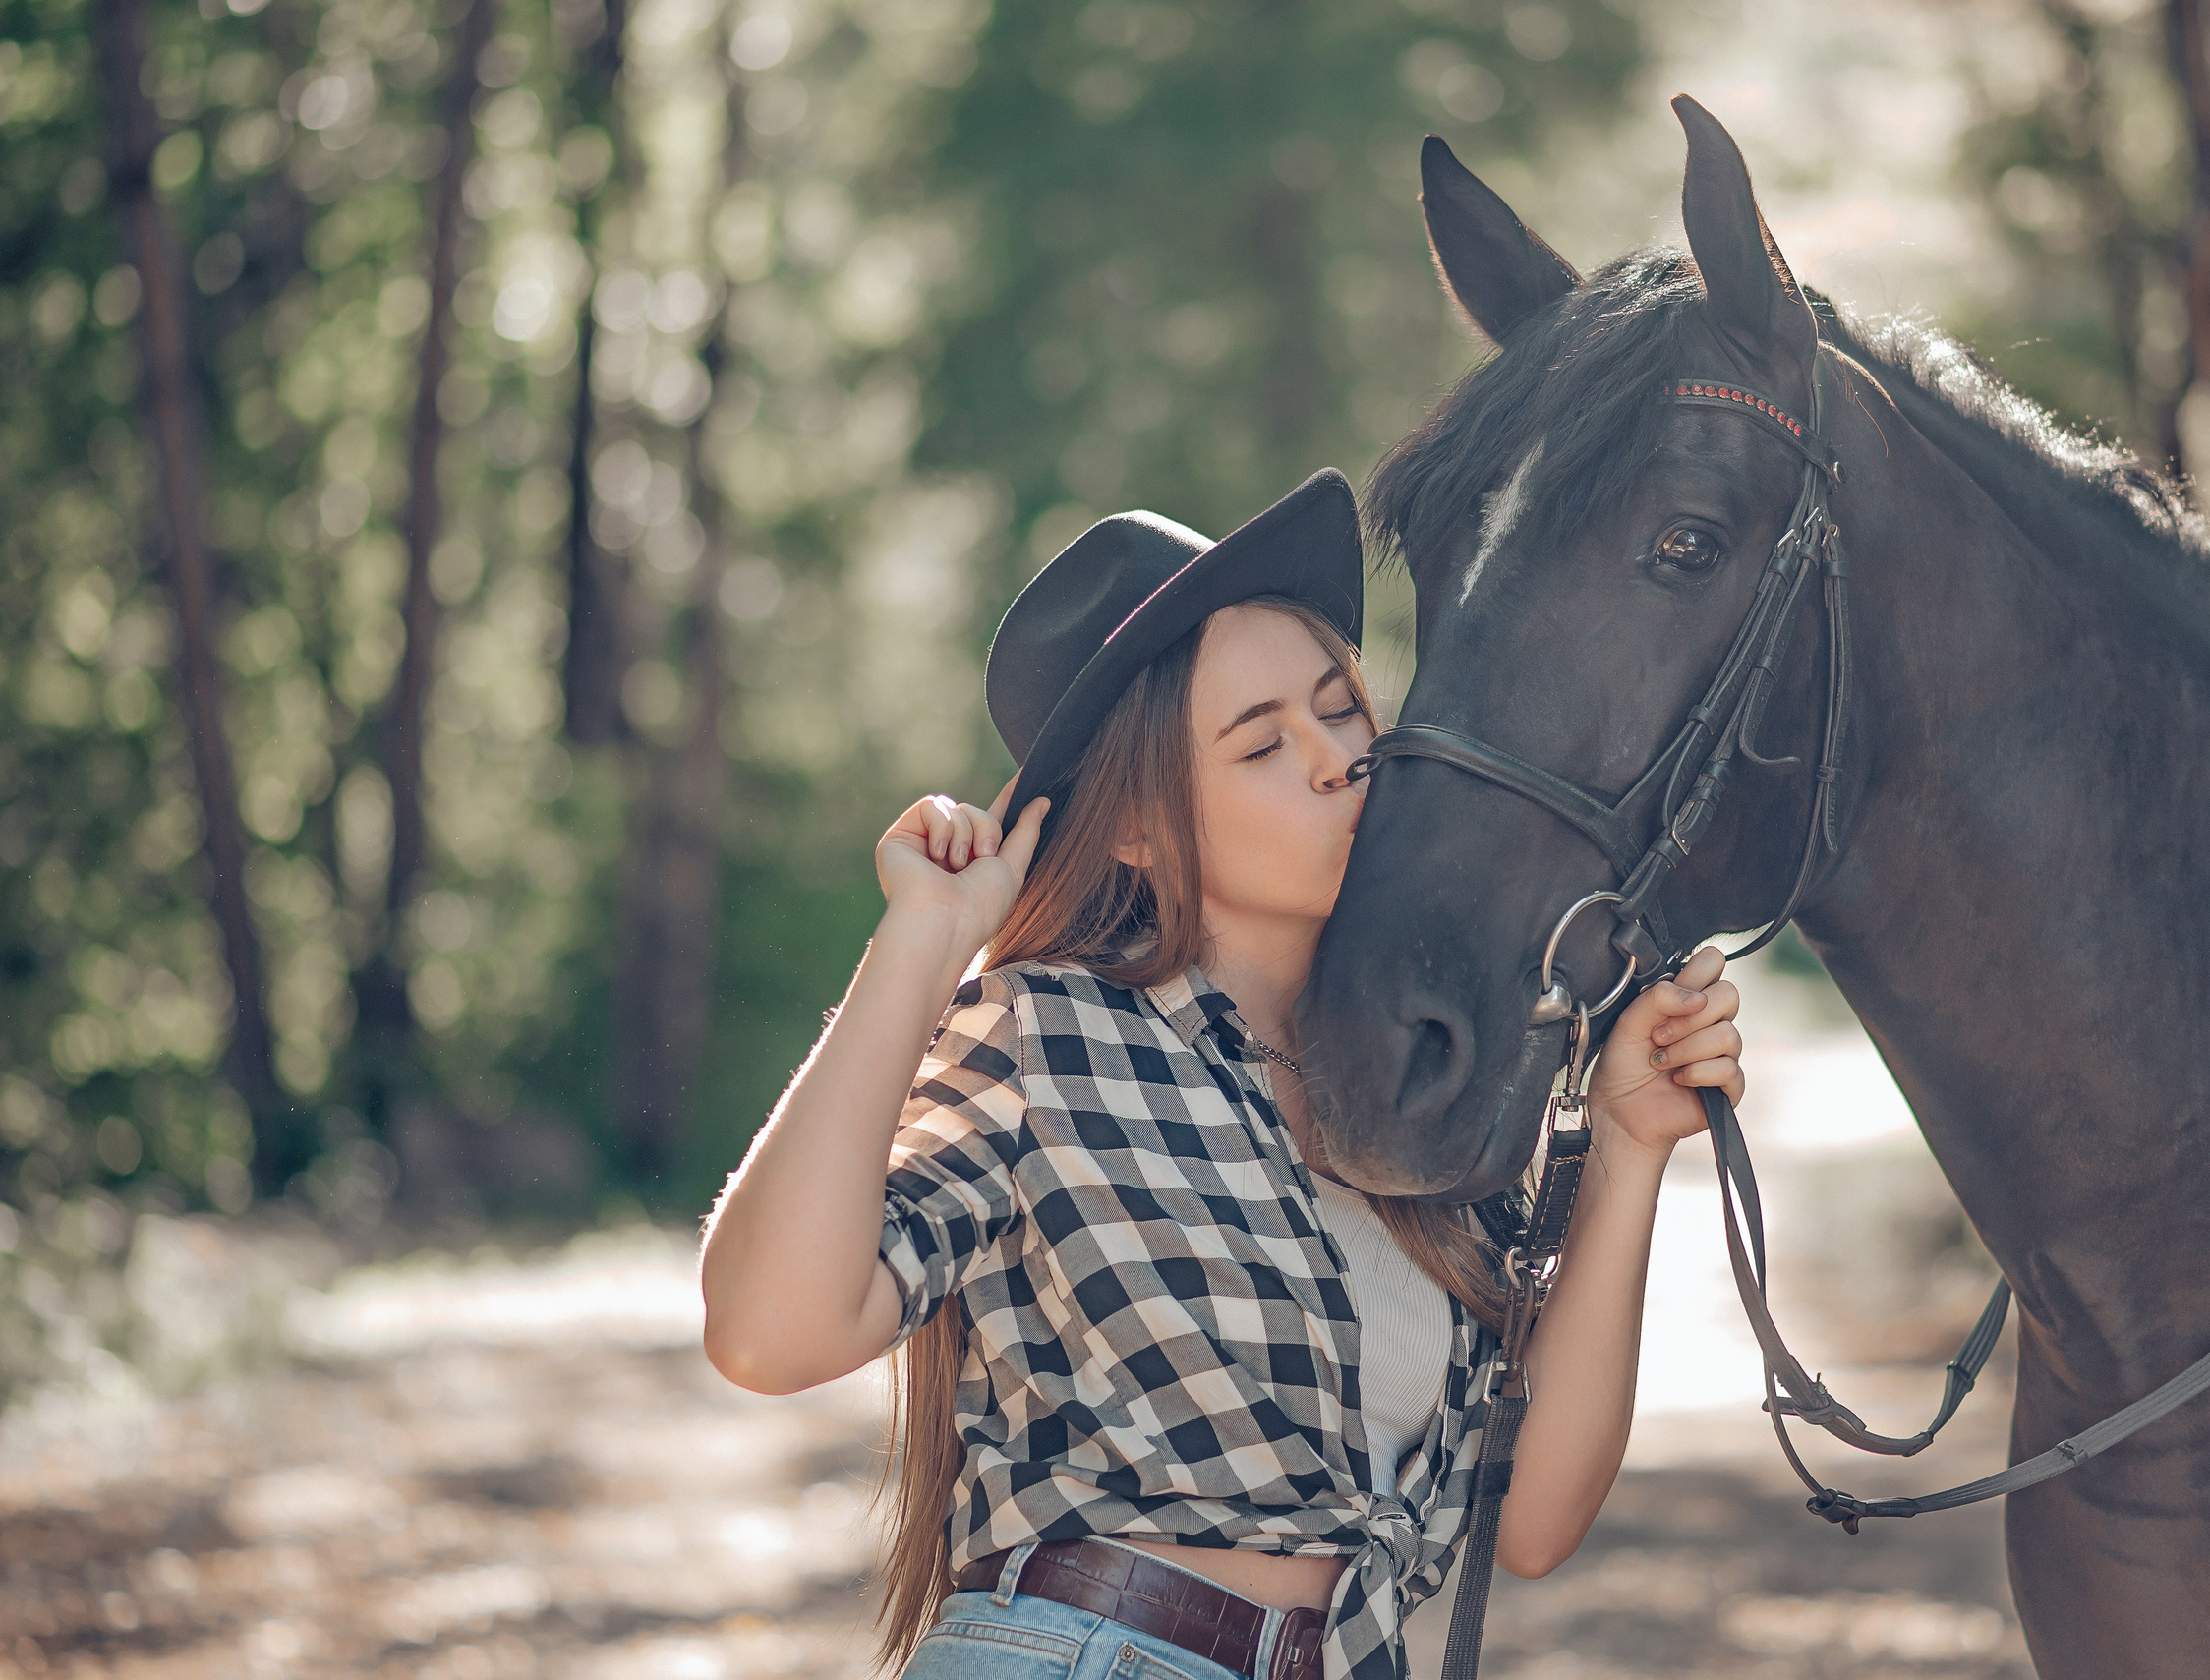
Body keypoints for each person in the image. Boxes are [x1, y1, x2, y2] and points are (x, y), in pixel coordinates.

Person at [699, 470, 1747, 1680]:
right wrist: (922, 943)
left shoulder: (1427, 1083)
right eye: (1262, 742)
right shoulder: (1050, 1032)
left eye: (1340, 710)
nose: (1336, 760)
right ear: (1137, 827)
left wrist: (1628, 1143)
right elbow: (768, 1334)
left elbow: (1529, 1522)